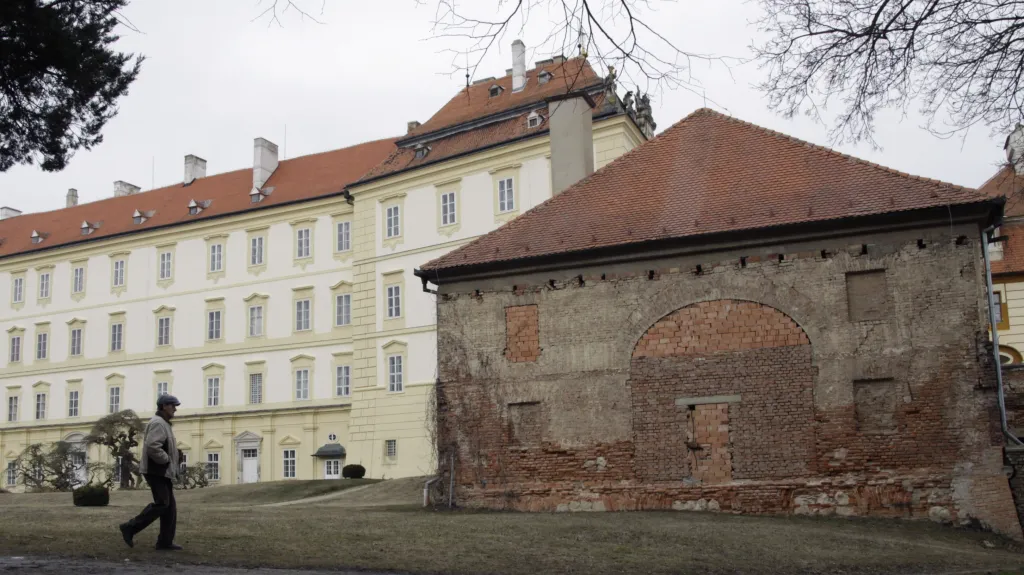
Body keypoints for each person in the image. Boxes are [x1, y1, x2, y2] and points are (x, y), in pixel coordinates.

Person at [119, 394, 182, 551]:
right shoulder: (158, 423)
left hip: (162, 471)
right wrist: (167, 459)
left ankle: (165, 542)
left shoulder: (164, 424)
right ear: (164, 406)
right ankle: (129, 527)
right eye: (173, 405)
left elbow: (161, 445)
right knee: (162, 504)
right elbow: (153, 446)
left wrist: (175, 455)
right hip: (156, 471)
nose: (175, 409)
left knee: (169, 507)